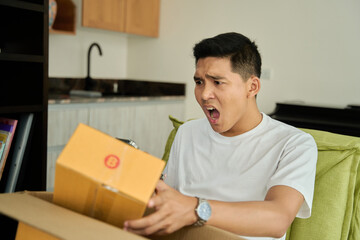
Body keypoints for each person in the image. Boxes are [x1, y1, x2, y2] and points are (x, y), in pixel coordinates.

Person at [123, 32, 318, 240]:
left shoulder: (294, 144)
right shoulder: (187, 132)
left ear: (252, 87)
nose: (205, 94)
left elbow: (277, 219)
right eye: (199, 82)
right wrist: (143, 180)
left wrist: (195, 209)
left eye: (217, 82)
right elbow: (168, 202)